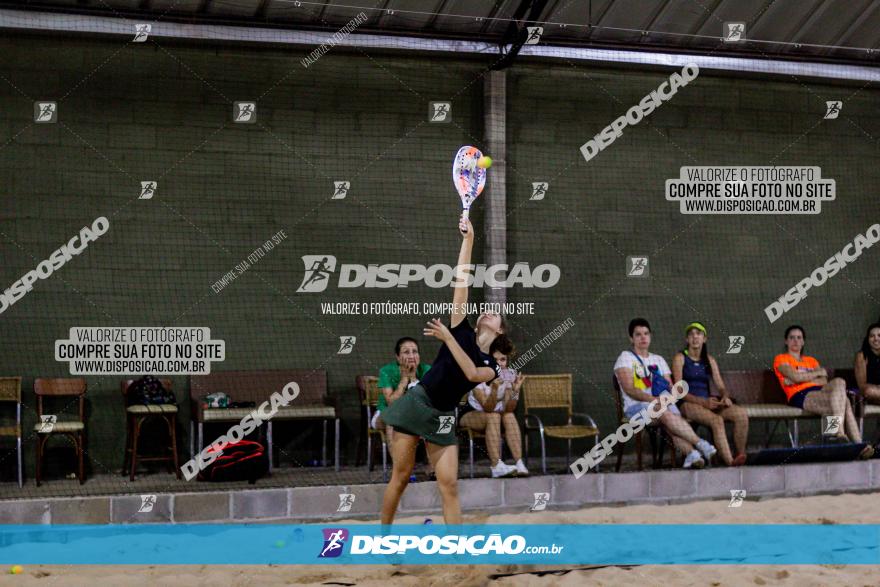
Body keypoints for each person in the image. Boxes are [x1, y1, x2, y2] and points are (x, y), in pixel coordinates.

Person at [380, 215, 510, 525]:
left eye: (494, 314)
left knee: (449, 484)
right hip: (417, 404)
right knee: (400, 478)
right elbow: (461, 279)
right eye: (486, 310)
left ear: (500, 332)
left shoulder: (491, 366)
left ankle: (458, 553)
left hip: (442, 416)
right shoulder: (460, 325)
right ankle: (383, 539)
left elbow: (470, 374)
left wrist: (448, 338)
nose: (488, 311)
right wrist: (469, 241)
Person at [614, 318, 717, 469]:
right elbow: (630, 389)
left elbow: (669, 386)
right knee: (665, 414)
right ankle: (701, 444)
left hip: (662, 406)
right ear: (631, 338)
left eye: (646, 334)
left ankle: (692, 454)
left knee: (671, 421)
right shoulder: (625, 358)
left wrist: (665, 396)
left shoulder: (658, 359)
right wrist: (653, 399)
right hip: (636, 409)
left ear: (650, 336)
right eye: (638, 334)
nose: (643, 337)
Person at [773, 325, 873, 458]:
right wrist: (816, 374)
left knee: (840, 382)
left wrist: (801, 378)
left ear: (803, 341)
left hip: (821, 392)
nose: (796, 341)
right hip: (800, 395)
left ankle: (838, 436)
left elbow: (824, 381)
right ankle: (858, 444)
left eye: (799, 338)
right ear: (786, 341)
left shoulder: (811, 360)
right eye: (792, 338)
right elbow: (796, 377)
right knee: (845, 402)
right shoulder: (781, 359)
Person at [671, 322, 749, 467]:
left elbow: (720, 385)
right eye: (691, 334)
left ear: (704, 339)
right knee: (717, 421)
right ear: (687, 339)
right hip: (688, 404)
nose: (695, 337)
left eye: (698, 334)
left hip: (708, 403)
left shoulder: (710, 360)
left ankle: (740, 455)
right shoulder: (680, 358)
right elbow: (679, 391)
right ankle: (730, 462)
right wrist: (703, 402)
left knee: (741, 414)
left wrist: (725, 396)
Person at [460, 343, 528, 478]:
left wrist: (515, 391)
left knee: (508, 416)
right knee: (493, 416)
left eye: (502, 360)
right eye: (495, 360)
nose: (499, 363)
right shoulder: (479, 374)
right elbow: (487, 407)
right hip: (469, 414)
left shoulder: (510, 374)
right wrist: (495, 389)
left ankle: (519, 463)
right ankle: (496, 465)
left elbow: (510, 408)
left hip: (496, 415)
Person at [374, 337, 432, 477]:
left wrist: (414, 379)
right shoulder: (386, 371)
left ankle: (433, 468)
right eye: (406, 352)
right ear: (398, 357)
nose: (411, 356)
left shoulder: (427, 370)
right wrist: (405, 379)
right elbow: (391, 403)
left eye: (415, 351)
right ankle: (400, 471)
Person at [854, 322, 880, 404]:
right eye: (872, 336)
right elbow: (862, 386)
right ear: (867, 339)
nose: (876, 339)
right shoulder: (862, 355)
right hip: (872, 392)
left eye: (879, 335)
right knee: (869, 391)